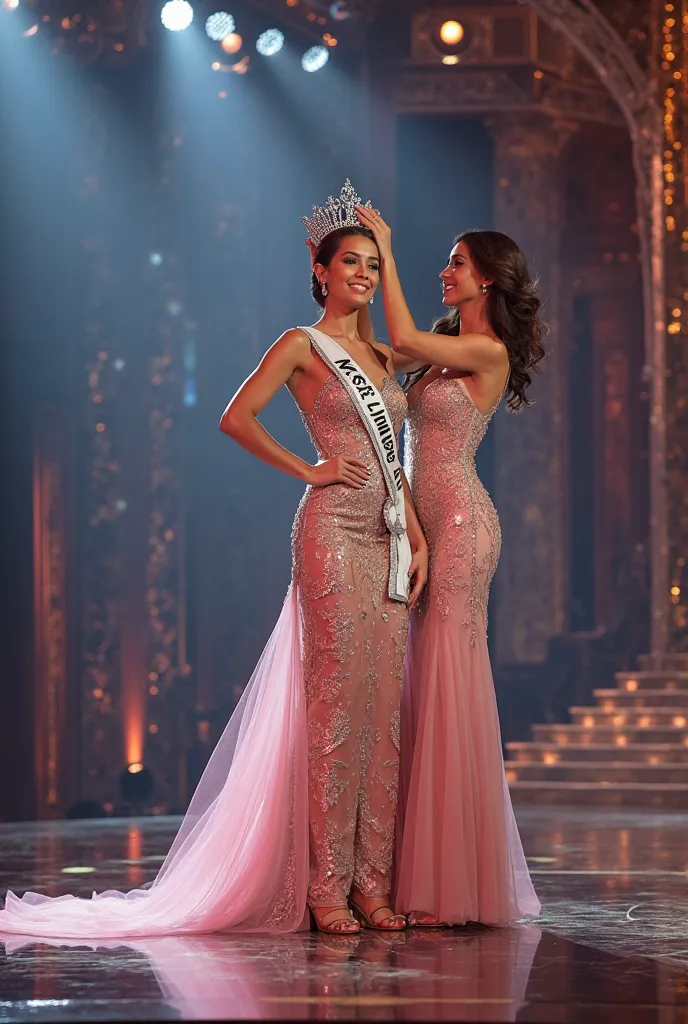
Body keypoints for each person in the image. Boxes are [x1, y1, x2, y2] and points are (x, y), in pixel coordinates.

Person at [0, 182, 427, 941]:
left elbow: (400, 455)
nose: (362, 275)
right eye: (352, 263)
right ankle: (326, 888)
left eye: (372, 263)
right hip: (330, 533)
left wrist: (418, 535)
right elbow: (235, 417)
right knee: (334, 714)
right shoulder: (301, 345)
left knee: (381, 715)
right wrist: (310, 470)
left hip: (388, 538)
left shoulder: (387, 355)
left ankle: (371, 884)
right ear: (322, 271)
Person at [356, 205, 543, 927]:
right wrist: (347, 289)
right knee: (415, 684)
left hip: (462, 527)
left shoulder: (487, 352)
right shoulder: (441, 346)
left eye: (456, 263)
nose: (446, 271)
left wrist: (387, 251)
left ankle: (445, 882)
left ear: (486, 279)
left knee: (443, 682)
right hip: (416, 525)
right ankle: (401, 870)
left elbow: (397, 337)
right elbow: (380, 354)